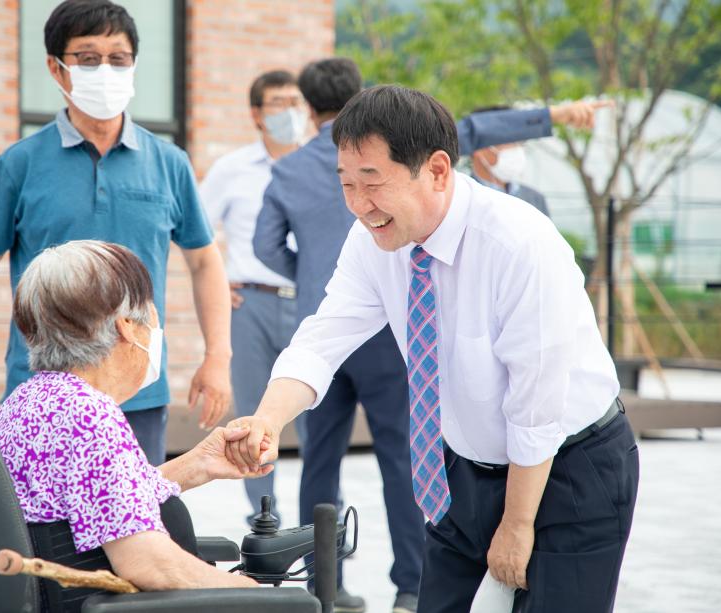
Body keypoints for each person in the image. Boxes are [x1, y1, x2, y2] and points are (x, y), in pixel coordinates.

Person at [230, 85, 637, 613]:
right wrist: (267, 418)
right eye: (347, 184)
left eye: (372, 182)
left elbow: (537, 405)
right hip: (462, 472)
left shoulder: (517, 243)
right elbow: (322, 338)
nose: (359, 205)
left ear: (438, 170)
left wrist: (517, 524)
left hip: (568, 470)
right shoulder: (373, 239)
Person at [0, 0, 231, 465]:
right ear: (56, 69)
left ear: (134, 66)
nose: (105, 69)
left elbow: (204, 262)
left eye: (118, 58)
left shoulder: (169, 164)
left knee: (139, 520)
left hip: (138, 388)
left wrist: (218, 356)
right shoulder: (19, 164)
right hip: (43, 391)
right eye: (87, 57)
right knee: (43, 530)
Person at [0, 240, 267, 611]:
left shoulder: (29, 401)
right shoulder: (88, 415)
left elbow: (95, 498)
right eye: (152, 316)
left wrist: (198, 463)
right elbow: (150, 564)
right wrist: (257, 594)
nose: (156, 329)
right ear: (127, 328)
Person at [199, 69, 307, 525]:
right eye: (278, 103)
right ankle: (266, 523)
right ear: (256, 115)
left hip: (311, 305)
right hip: (252, 307)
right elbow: (195, 234)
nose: (290, 111)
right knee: (253, 419)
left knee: (320, 421)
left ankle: (324, 526)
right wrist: (218, 283)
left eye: (295, 102)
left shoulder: (321, 164)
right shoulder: (232, 169)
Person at [470, 105, 550, 217]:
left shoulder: (535, 199)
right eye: (506, 139)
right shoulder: (460, 199)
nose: (515, 147)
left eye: (518, 140)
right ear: (477, 146)